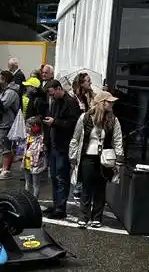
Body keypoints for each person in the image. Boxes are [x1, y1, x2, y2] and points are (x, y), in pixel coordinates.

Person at [70, 91, 123, 228]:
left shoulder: (113, 120)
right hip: (87, 157)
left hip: (104, 159)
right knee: (86, 187)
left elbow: (118, 140)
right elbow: (75, 138)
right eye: (109, 101)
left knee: (100, 188)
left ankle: (97, 218)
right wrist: (73, 157)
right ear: (102, 103)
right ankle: (83, 216)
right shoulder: (85, 117)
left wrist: (118, 161)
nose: (112, 104)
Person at [43, 79, 82, 219]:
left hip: (63, 146)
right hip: (55, 144)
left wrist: (55, 122)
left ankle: (60, 208)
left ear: (59, 88)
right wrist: (46, 141)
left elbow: (74, 125)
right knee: (54, 176)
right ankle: (57, 204)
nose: (51, 97)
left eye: (52, 94)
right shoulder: (55, 102)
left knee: (61, 177)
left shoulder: (70, 102)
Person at [70, 72, 95, 200]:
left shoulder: (87, 96)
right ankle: (76, 186)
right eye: (88, 81)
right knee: (75, 159)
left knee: (81, 159)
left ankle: (78, 186)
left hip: (83, 132)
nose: (90, 83)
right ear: (81, 83)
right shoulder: (73, 96)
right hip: (74, 131)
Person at [0, 70, 21, 180]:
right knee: (3, 145)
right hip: (2, 122)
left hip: (7, 122)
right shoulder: (4, 91)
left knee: (5, 146)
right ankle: (5, 167)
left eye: (0, 78)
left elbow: (2, 105)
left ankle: (6, 169)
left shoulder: (10, 92)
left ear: (5, 79)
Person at [21, 116, 47, 198]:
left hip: (36, 164)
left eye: (28, 126)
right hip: (26, 163)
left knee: (36, 184)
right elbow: (23, 148)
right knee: (27, 182)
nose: (26, 128)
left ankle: (35, 200)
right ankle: (27, 199)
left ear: (35, 127)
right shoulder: (27, 137)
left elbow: (43, 152)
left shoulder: (41, 139)